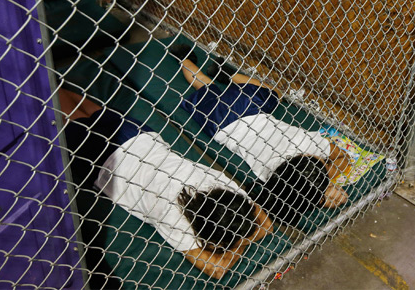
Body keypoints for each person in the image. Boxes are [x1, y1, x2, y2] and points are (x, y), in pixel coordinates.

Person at [58, 88, 273, 279]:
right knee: (69, 113)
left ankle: (53, 83)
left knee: (86, 108)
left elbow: (264, 224)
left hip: (140, 137)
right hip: (105, 160)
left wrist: (240, 239)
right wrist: (241, 243)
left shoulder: (223, 189)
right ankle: (49, 84)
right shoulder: (175, 219)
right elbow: (216, 268)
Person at [174, 45, 350, 227]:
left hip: (248, 109)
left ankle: (216, 70)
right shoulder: (271, 177)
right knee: (202, 83)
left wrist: (321, 186)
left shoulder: (304, 142)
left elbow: (340, 159)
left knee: (275, 93)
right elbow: (342, 160)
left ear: (307, 156)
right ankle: (184, 59)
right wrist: (319, 193)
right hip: (223, 127)